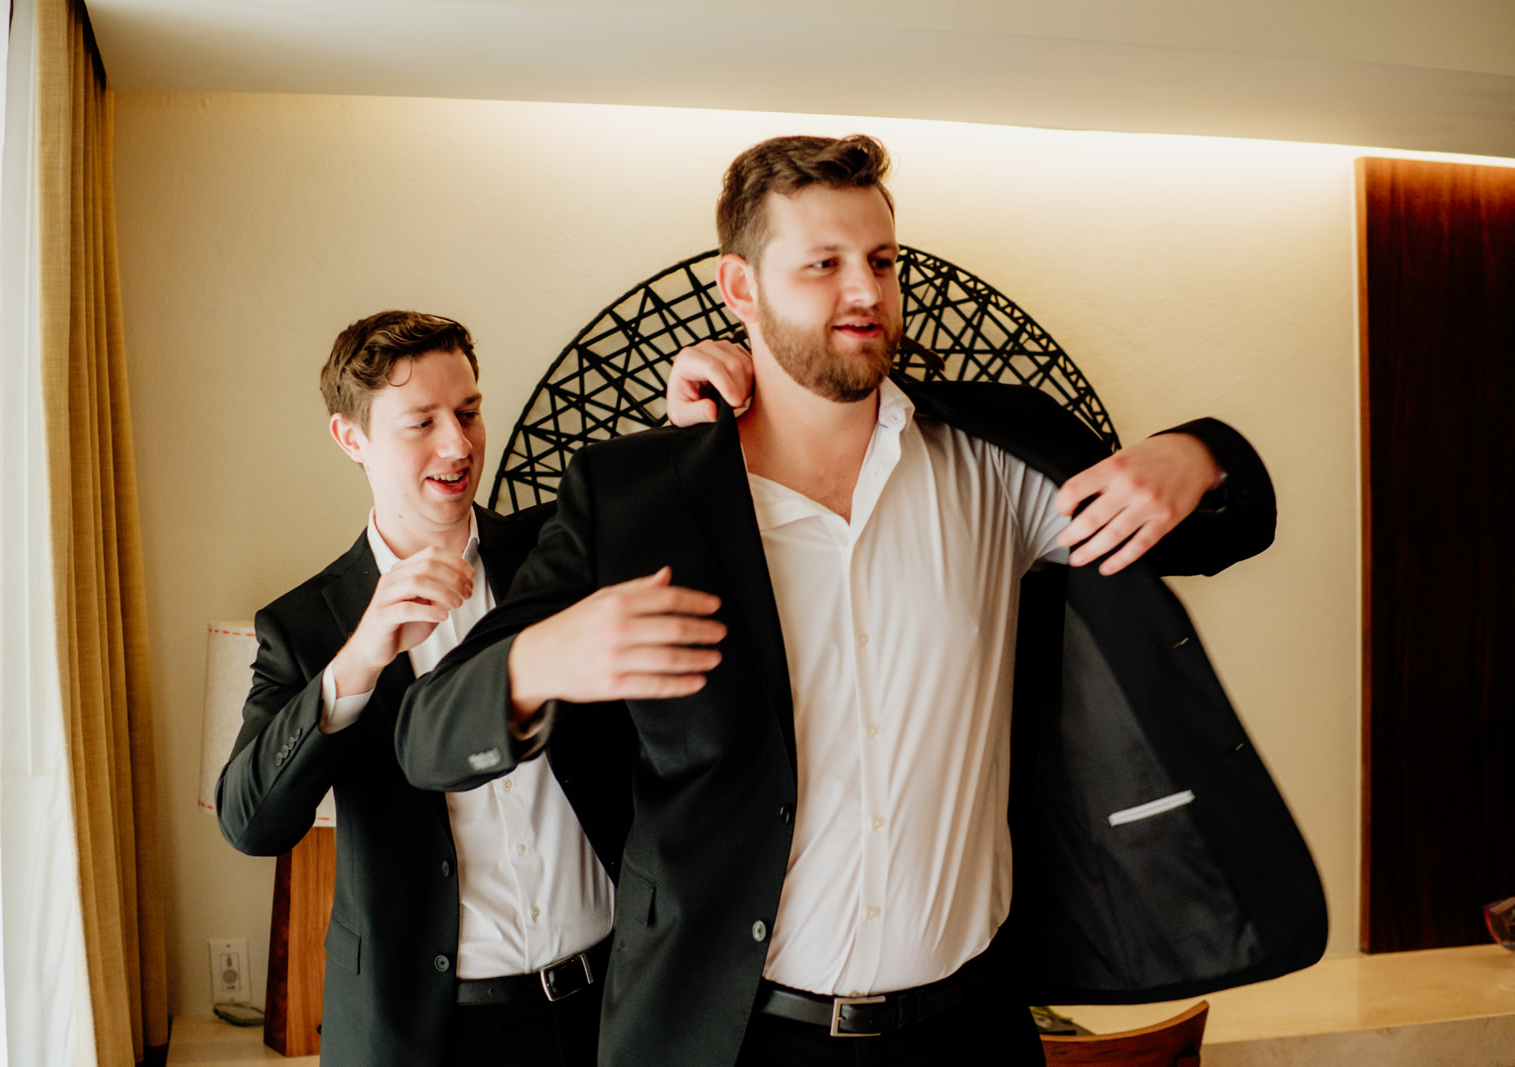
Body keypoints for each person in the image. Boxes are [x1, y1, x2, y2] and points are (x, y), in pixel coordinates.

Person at [395, 136, 1326, 1067]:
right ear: (740, 287)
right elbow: (429, 733)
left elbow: (1212, 533)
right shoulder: (632, 497)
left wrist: (1198, 452)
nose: (865, 291)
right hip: (731, 1041)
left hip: (971, 1033)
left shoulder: (994, 463)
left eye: (881, 261)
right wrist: (539, 660)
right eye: (824, 264)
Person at [214, 310, 732, 1066]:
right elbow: (249, 823)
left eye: (468, 412)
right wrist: (358, 660)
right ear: (350, 438)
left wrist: (687, 425)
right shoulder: (305, 626)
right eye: (422, 422)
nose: (457, 445)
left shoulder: (560, 552)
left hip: (613, 1006)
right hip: (433, 1035)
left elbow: (667, 505)